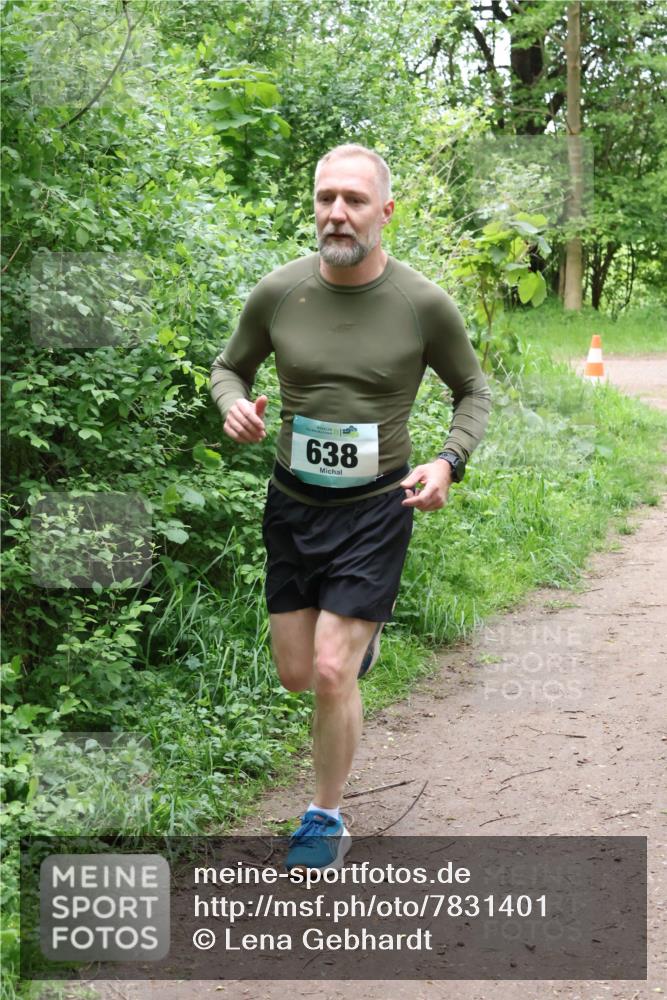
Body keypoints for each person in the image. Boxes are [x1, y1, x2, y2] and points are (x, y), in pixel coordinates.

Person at [210, 143, 491, 871]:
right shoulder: (279, 292)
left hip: (375, 509)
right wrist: (234, 406)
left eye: (354, 199)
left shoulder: (421, 303)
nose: (337, 212)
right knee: (297, 674)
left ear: (384, 211)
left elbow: (472, 392)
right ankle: (351, 641)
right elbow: (228, 368)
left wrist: (446, 460)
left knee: (332, 674)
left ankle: (324, 817)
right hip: (292, 506)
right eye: (326, 197)